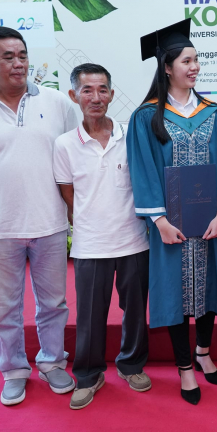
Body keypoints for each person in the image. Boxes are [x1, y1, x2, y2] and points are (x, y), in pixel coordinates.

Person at [0, 26, 78, 405]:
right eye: (8, 57)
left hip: (50, 224)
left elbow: (71, 160)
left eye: (22, 55)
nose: (18, 63)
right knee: (4, 308)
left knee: (53, 303)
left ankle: (53, 362)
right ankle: (14, 370)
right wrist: (3, 198)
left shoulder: (56, 103)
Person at [127, 19, 217, 406]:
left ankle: (204, 352)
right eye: (186, 61)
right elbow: (142, 170)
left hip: (210, 221)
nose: (193, 67)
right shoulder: (146, 117)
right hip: (169, 226)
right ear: (166, 67)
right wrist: (159, 221)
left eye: (196, 60)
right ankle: (184, 369)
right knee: (176, 294)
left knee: (207, 289)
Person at [53, 63, 151, 410]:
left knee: (136, 312)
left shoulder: (130, 136)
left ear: (111, 93)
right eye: (87, 90)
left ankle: (131, 365)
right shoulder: (64, 145)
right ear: (74, 96)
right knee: (91, 318)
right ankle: (89, 374)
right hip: (90, 245)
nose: (96, 97)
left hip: (134, 242)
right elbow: (68, 195)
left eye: (102, 89)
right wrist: (88, 221)